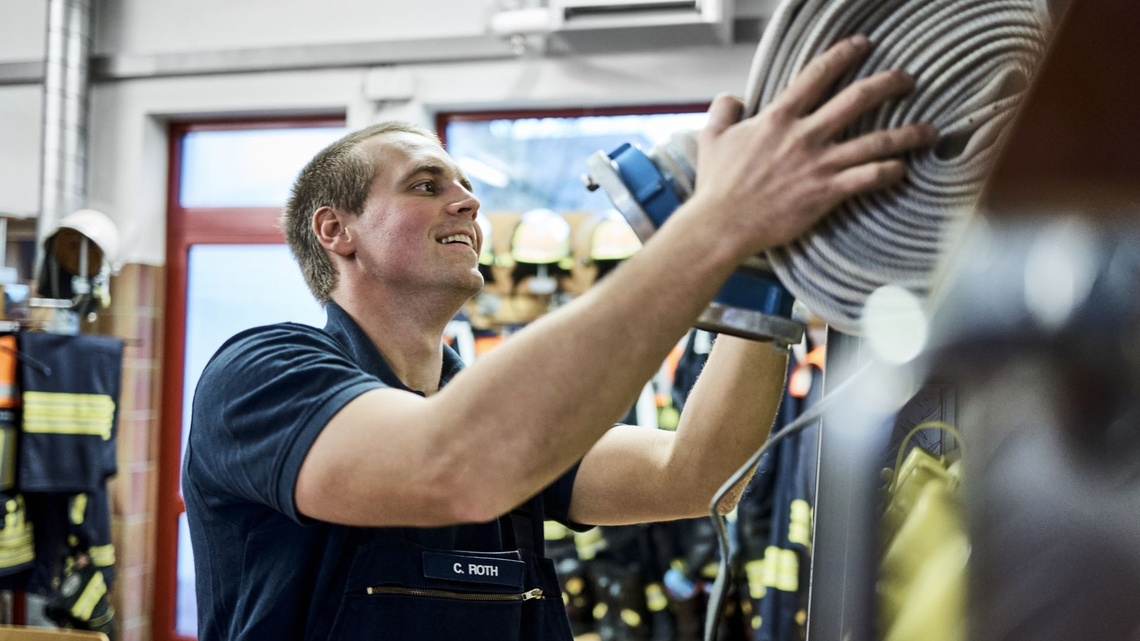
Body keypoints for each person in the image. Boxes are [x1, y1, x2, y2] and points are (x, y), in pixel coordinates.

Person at [183, 35, 936, 641]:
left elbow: (699, 473)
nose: (468, 199)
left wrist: (760, 278)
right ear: (335, 230)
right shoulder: (262, 375)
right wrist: (715, 228)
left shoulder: (503, 423)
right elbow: (450, 460)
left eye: (463, 185)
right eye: (425, 184)